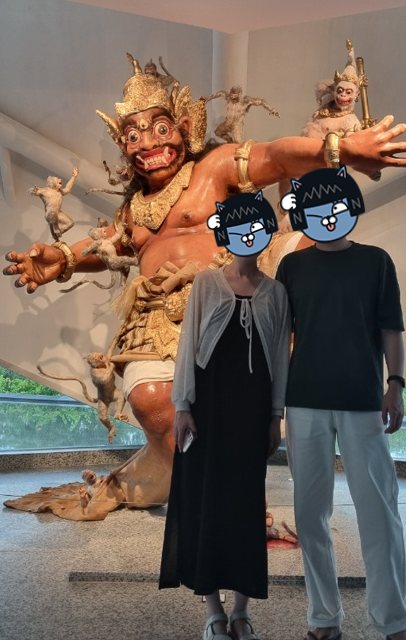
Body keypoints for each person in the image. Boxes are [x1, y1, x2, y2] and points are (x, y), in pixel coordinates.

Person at [3, 54, 406, 519]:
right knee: (151, 402)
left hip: (230, 300)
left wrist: (338, 149)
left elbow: (275, 156)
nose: (148, 144)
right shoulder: (132, 209)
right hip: (156, 317)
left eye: (160, 129)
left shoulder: (214, 169)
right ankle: (210, 496)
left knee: (303, 254)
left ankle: (245, 488)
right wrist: (61, 260)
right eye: (133, 136)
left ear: (184, 128)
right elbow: (105, 246)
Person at [277, 168, 406, 640]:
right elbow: (281, 337)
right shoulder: (292, 267)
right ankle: (323, 618)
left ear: (351, 207)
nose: (326, 218)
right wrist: (274, 403)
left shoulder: (376, 261)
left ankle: (393, 622)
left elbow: (391, 329)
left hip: (362, 400)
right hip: (304, 402)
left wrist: (395, 383)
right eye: (314, 211)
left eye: (334, 208)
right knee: (308, 515)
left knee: (379, 512)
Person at [159, 192, 292, 640]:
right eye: (238, 229)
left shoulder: (277, 293)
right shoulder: (205, 283)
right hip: (207, 410)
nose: (247, 236)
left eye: (255, 228)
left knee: (245, 506)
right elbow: (188, 347)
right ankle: (213, 610)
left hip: (252, 412)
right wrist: (182, 406)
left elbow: (279, 357)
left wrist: (275, 415)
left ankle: (241, 611)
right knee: (207, 504)